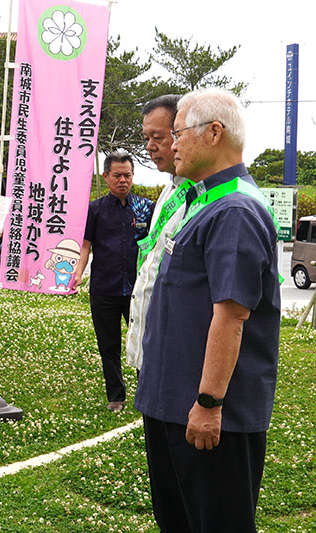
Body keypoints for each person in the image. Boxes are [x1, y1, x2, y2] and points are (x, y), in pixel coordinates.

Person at [134, 88, 280, 531]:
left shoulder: (234, 208)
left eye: (178, 133)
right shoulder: (200, 198)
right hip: (172, 403)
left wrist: (209, 403)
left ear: (214, 133)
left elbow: (231, 315)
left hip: (206, 414)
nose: (171, 145)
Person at [74, 151, 153, 412]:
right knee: (109, 345)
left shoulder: (146, 208)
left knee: (143, 341)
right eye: (117, 175)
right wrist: (77, 274)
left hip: (138, 289)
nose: (123, 180)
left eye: (127, 175)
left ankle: (146, 391)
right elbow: (85, 247)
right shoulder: (94, 210)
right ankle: (116, 396)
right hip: (104, 288)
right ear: (106, 176)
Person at [125, 95, 186, 376]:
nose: (150, 147)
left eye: (157, 137)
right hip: (150, 345)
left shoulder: (207, 198)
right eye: (146, 137)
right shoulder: (168, 190)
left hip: (174, 353)